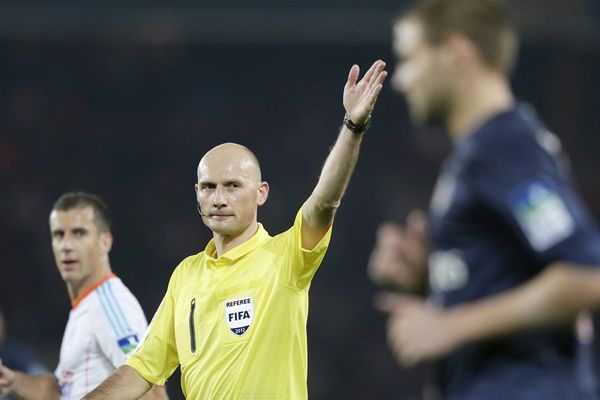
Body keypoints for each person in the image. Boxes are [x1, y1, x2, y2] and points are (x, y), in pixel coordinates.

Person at [82, 59, 387, 400]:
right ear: (197, 193)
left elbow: (324, 201)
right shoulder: (186, 275)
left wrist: (353, 125)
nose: (219, 198)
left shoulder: (286, 257)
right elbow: (142, 369)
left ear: (261, 193)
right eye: (209, 187)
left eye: (232, 186)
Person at [368, 0, 600, 399]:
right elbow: (517, 275)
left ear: (457, 51)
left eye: (409, 59)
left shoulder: (502, 148)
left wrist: (451, 324)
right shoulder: (488, 149)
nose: (402, 81)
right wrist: (438, 278)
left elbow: (586, 276)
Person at [0, 192, 167, 400]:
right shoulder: (87, 304)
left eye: (79, 233)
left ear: (105, 242)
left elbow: (152, 392)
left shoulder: (111, 305)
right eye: (59, 235)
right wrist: (13, 381)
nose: (66, 246)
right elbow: (61, 391)